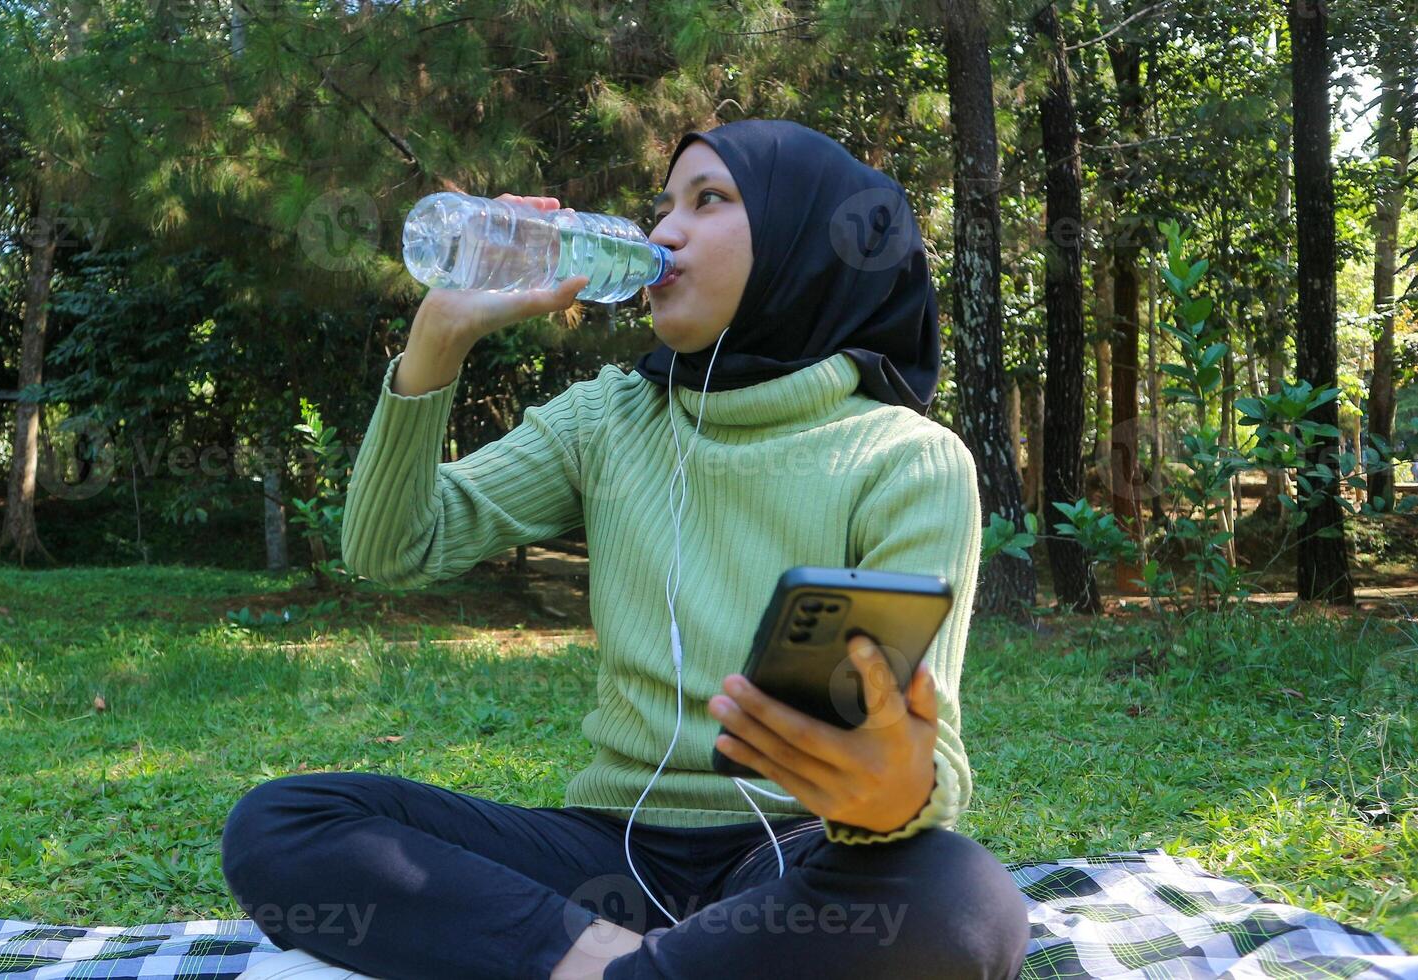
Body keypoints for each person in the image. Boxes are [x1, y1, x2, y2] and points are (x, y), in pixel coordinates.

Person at [220, 119, 1031, 980]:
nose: (661, 232)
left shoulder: (903, 457)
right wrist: (438, 341)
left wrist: (890, 792)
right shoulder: (607, 417)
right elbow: (393, 548)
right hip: (606, 855)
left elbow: (923, 764)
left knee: (960, 901)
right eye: (660, 207)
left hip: (794, 853)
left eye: (707, 200)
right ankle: (626, 965)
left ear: (801, 243)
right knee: (286, 823)